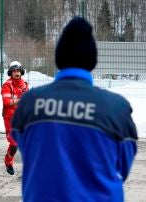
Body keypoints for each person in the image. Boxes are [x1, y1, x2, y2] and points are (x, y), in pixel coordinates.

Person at [11, 16, 138, 201]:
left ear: (59, 57)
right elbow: (122, 167)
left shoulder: (29, 103)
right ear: (92, 60)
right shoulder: (116, 108)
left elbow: (25, 147)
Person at [1, 61, 29, 175]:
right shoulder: (7, 85)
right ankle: (8, 161)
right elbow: (7, 102)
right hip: (10, 118)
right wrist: (19, 100)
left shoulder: (25, 84)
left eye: (18, 70)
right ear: (11, 73)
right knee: (14, 143)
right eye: (14, 71)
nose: (16, 73)